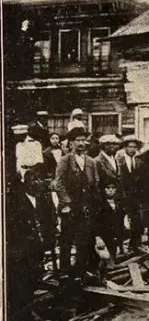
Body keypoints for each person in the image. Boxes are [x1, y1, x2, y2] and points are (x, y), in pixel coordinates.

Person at [55, 127, 101, 280]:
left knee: (84, 238)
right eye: (78, 140)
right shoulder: (65, 160)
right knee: (67, 239)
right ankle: (64, 270)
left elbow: (95, 183)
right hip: (70, 206)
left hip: (85, 206)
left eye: (83, 140)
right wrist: (66, 203)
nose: (81, 143)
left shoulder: (91, 162)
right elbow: (59, 184)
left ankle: (80, 269)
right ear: (71, 143)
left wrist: (93, 203)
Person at [7, 168, 46, 319]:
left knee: (33, 282)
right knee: (20, 285)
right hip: (20, 253)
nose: (38, 182)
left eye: (40, 179)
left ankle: (28, 310)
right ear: (26, 182)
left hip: (36, 252)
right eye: (34, 179)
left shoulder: (42, 199)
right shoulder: (15, 201)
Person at [118, 135, 146, 253]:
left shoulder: (139, 161)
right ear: (125, 147)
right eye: (130, 147)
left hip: (136, 196)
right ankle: (119, 247)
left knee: (137, 221)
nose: (132, 149)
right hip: (122, 195)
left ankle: (135, 245)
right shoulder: (119, 160)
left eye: (135, 147)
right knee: (119, 221)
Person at [96, 180, 123, 265]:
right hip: (103, 237)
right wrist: (98, 237)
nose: (111, 190)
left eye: (113, 188)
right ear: (104, 189)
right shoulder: (100, 204)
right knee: (104, 258)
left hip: (114, 237)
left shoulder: (118, 203)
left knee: (113, 257)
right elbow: (95, 222)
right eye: (108, 188)